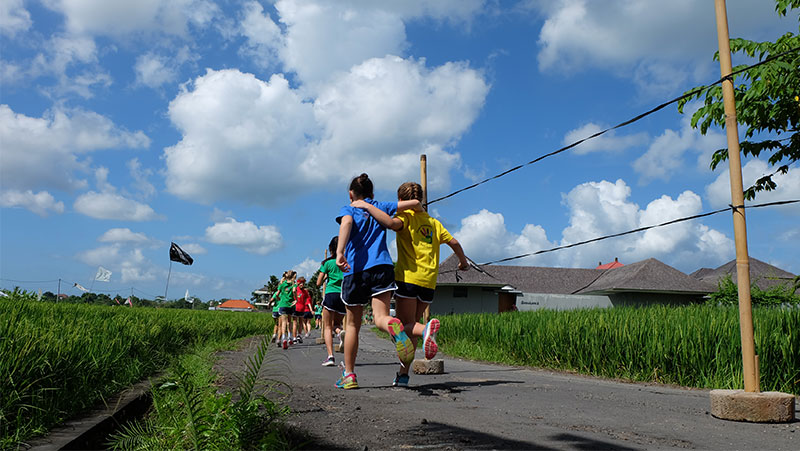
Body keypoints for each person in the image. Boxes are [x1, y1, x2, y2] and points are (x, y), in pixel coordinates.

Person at [354, 181, 469, 387]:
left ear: (400, 201)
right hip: (429, 282)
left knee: (403, 326)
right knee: (410, 329)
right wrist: (462, 262)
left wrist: (368, 206)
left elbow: (389, 224)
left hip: (408, 278)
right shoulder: (434, 223)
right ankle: (403, 375)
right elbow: (455, 243)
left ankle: (426, 331)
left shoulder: (405, 218)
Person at [334, 173, 421, 389]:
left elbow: (346, 223)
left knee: (353, 324)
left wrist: (340, 251)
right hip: (382, 267)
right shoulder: (381, 205)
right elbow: (417, 203)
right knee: (382, 317)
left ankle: (350, 375)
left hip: (356, 270)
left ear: (351, 194)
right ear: (372, 193)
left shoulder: (350, 208)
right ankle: (393, 325)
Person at [317, 236, 346, 367]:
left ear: (330, 249)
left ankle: (330, 356)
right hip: (344, 296)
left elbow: (318, 283)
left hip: (330, 294)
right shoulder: (347, 262)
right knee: (337, 324)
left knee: (328, 327)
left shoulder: (327, 263)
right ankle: (340, 333)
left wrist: (327, 276)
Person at [271, 270, 297, 349]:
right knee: (290, 322)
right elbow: (294, 291)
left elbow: (277, 294)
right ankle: (290, 337)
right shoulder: (294, 284)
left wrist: (280, 299)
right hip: (290, 305)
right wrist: (295, 299)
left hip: (282, 304)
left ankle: (283, 338)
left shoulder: (282, 284)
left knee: (283, 323)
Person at [293, 277, 312, 342]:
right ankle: (294, 337)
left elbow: (307, 299)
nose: (302, 284)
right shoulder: (295, 289)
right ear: (298, 283)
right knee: (295, 322)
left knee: (300, 322)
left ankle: (299, 335)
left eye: (303, 283)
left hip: (302, 308)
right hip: (295, 307)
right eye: (300, 283)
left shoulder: (305, 291)